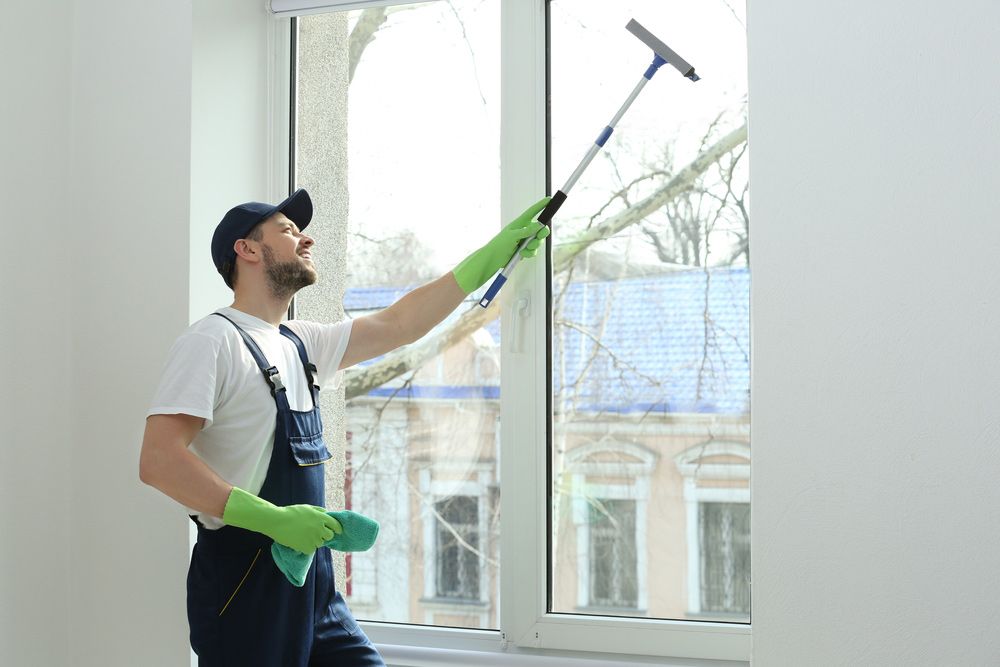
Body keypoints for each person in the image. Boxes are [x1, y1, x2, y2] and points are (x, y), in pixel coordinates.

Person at [138, 188, 548, 666]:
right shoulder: (211, 341)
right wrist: (273, 520)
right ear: (246, 249)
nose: (306, 239)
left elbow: (400, 324)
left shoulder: (300, 343)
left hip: (314, 583)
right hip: (244, 584)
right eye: (288, 231)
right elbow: (159, 461)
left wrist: (489, 257)